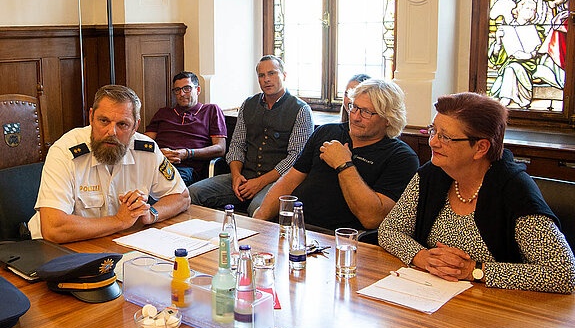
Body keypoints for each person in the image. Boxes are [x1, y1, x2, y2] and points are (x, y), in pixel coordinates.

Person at [378, 92, 575, 293]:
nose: (433, 142)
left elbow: (564, 273)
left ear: (481, 148)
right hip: (432, 296)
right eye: (433, 131)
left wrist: (474, 270)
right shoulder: (431, 174)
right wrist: (422, 257)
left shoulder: (515, 191)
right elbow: (389, 230)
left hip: (500, 310)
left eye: (445, 137)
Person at [28, 85, 190, 243]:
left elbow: (182, 196)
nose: (111, 132)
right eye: (104, 121)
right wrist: (119, 221)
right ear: (91, 117)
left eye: (122, 124)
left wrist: (151, 214)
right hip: (57, 249)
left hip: (116, 243)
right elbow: (54, 228)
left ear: (135, 126)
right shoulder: (64, 151)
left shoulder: (146, 150)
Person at [254, 79, 419, 230]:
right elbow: (289, 181)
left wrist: (344, 164)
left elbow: (372, 219)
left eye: (366, 112)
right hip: (296, 226)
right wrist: (259, 219)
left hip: (342, 239)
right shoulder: (327, 132)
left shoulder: (401, 157)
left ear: (388, 118)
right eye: (354, 107)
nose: (355, 117)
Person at [188, 55, 314, 216]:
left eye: (272, 73)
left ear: (284, 75)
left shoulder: (301, 110)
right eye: (262, 75)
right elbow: (237, 145)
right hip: (243, 178)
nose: (266, 79)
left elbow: (295, 159)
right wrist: (236, 176)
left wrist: (259, 182)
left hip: (277, 183)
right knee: (192, 194)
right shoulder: (248, 104)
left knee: (257, 211)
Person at [145, 71, 227, 186]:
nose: (182, 94)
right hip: (155, 164)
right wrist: (158, 153)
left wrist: (187, 153)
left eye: (187, 88)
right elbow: (145, 143)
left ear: (197, 90)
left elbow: (220, 148)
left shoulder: (211, 110)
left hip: (185, 168)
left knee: (162, 188)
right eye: (177, 90)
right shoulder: (163, 113)